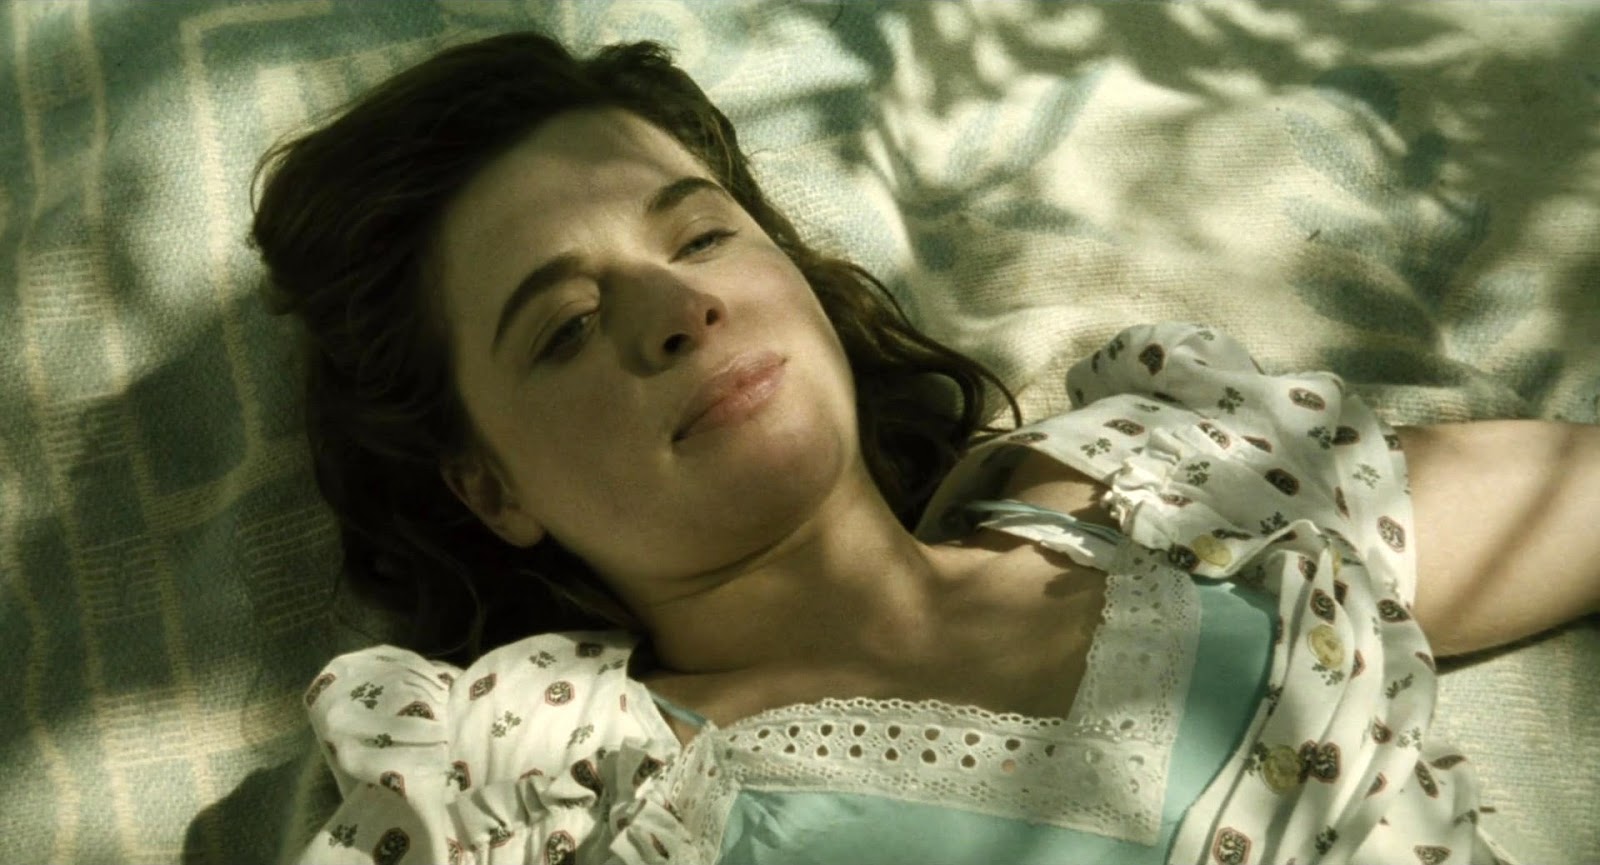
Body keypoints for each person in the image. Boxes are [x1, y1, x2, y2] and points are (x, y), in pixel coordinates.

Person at [252, 32, 1598, 865]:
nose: (676, 309)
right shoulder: (543, 785)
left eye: (702, 235)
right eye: (564, 328)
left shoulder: (1171, 488)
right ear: (491, 489)